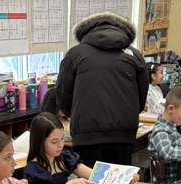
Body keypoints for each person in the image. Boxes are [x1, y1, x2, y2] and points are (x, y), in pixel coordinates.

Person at [57, 13, 148, 167]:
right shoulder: (134, 55)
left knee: (89, 180)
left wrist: (77, 115)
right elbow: (141, 98)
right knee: (119, 180)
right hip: (123, 135)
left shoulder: (75, 54)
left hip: (86, 135)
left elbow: (63, 96)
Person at [23, 113, 93, 184]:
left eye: (62, 138)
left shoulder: (64, 157)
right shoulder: (35, 170)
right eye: (54, 142)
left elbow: (93, 175)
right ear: (39, 142)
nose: (61, 145)